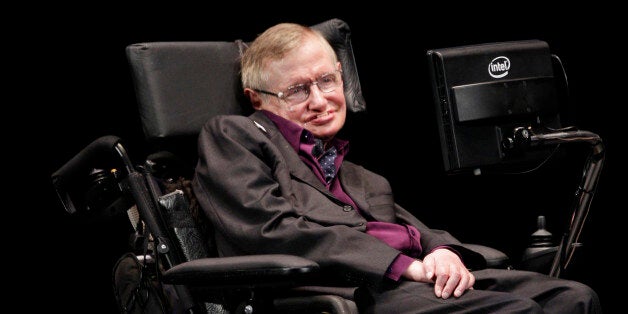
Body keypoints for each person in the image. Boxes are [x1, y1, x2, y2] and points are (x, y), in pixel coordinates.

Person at [191, 22, 601, 313]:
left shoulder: (357, 175)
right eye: (298, 90)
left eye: (328, 81)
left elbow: (412, 227)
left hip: (401, 281)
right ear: (258, 99)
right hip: (342, 288)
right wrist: (406, 265)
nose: (320, 101)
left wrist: (440, 251)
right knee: (512, 311)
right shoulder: (234, 136)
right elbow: (269, 229)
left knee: (572, 298)